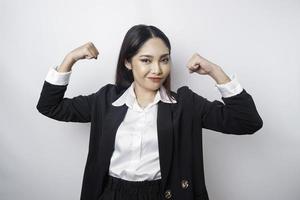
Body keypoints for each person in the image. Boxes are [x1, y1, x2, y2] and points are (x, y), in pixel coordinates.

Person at [36, 24, 263, 200]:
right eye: (146, 60)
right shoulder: (105, 100)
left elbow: (247, 122)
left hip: (165, 193)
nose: (157, 69)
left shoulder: (185, 104)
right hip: (110, 194)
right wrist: (70, 59)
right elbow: (49, 106)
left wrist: (215, 71)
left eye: (164, 60)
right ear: (128, 62)